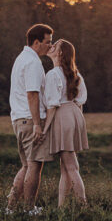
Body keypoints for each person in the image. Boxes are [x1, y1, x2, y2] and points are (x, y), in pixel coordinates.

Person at [6, 23, 54, 214]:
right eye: (47, 42)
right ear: (36, 42)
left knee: (26, 165)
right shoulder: (33, 63)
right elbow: (32, 94)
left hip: (19, 119)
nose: (50, 46)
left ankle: (10, 207)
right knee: (35, 165)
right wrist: (37, 125)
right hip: (29, 120)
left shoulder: (21, 59)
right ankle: (29, 209)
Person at [42, 39, 89, 206]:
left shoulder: (53, 74)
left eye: (54, 46)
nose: (51, 47)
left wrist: (44, 129)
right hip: (75, 114)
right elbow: (80, 101)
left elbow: (52, 105)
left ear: (60, 53)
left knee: (70, 166)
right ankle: (61, 207)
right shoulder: (76, 74)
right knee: (66, 167)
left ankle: (84, 206)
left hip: (62, 115)